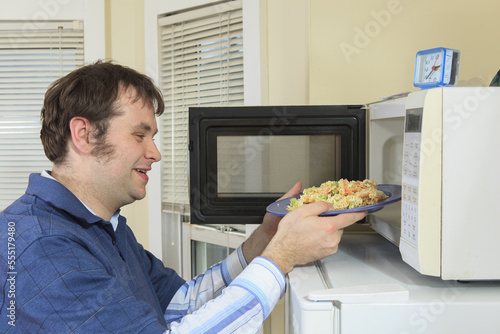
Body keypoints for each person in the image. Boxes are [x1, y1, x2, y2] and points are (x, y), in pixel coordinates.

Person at [0, 61, 366, 333]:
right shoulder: (41, 246)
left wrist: (264, 242)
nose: (155, 153)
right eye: (140, 135)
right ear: (84, 134)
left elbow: (179, 304)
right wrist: (282, 257)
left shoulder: (102, 225)